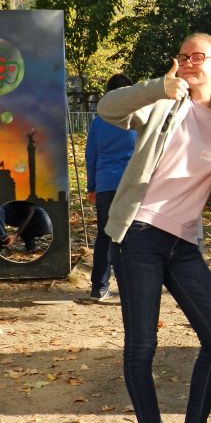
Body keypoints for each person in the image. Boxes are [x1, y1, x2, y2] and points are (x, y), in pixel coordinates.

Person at [96, 33, 211, 423]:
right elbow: (107, 108)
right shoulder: (163, 99)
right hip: (138, 235)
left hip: (183, 244)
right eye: (183, 55)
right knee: (142, 346)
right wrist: (157, 87)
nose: (189, 61)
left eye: (200, 56)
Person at [85, 73, 137, 301]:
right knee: (134, 236)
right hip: (133, 184)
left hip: (106, 183)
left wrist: (92, 186)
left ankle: (99, 287)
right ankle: (134, 288)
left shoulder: (99, 121)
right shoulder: (138, 118)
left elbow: (91, 155)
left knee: (105, 235)